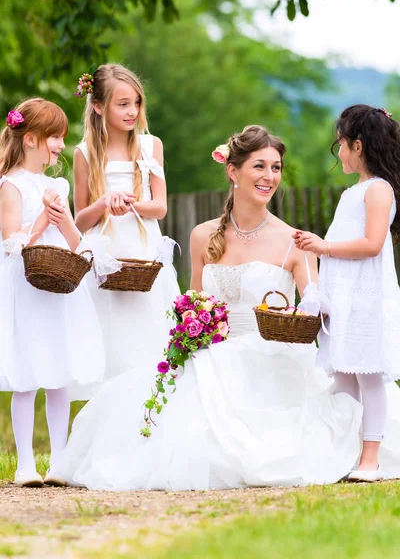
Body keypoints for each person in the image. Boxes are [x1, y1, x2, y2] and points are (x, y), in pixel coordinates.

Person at [60, 124, 381, 491]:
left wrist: (315, 308)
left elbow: (313, 310)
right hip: (212, 355)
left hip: (275, 360)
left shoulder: (295, 242)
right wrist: (192, 328)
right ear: (233, 171)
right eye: (259, 166)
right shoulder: (202, 235)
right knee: (141, 408)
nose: (270, 176)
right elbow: (193, 302)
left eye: (276, 167)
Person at [0, 98, 105, 487]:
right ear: (30, 139)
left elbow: (77, 243)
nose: (61, 145)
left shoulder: (55, 185)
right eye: (55, 137)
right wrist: (43, 216)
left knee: (59, 372)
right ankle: (26, 465)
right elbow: (12, 243)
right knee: (28, 375)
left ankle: (59, 462)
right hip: (26, 288)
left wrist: (62, 222)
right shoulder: (10, 186)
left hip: (59, 285)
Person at [294, 105, 400, 482]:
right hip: (344, 297)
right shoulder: (351, 194)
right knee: (343, 373)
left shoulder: (379, 190)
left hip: (367, 297)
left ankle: (370, 458)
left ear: (358, 145)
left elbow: (372, 244)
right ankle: (345, 452)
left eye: (340, 144)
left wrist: (323, 247)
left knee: (368, 374)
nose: (338, 153)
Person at [73, 64, 179, 382]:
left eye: (136, 102)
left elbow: (159, 207)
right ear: (98, 106)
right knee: (112, 341)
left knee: (147, 337)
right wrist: (104, 203)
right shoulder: (85, 153)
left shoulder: (151, 146)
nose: (132, 111)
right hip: (106, 259)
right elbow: (79, 220)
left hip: (143, 255)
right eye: (123, 104)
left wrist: (131, 207)